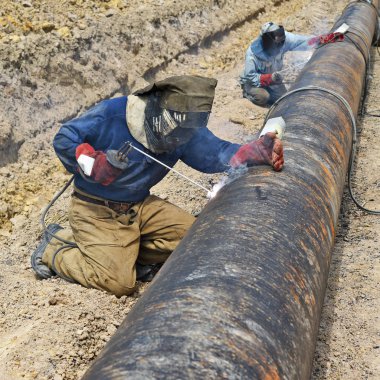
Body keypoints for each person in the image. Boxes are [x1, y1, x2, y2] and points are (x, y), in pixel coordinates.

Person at [31, 75, 284, 297]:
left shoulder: (184, 128)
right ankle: (55, 246)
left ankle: (125, 253)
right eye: (177, 131)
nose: (180, 140)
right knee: (119, 282)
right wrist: (92, 162)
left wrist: (252, 152)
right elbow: (65, 137)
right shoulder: (115, 113)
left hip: (139, 205)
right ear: (162, 111)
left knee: (200, 239)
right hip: (96, 209)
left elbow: (214, 153)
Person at [240, 22, 344, 107]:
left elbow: (303, 42)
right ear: (267, 41)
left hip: (273, 79)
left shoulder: (283, 39)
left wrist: (322, 39)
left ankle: (270, 93)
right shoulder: (252, 53)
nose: (278, 47)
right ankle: (247, 92)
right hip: (253, 82)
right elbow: (250, 76)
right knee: (263, 97)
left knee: (284, 99)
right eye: (275, 45)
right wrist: (268, 78)